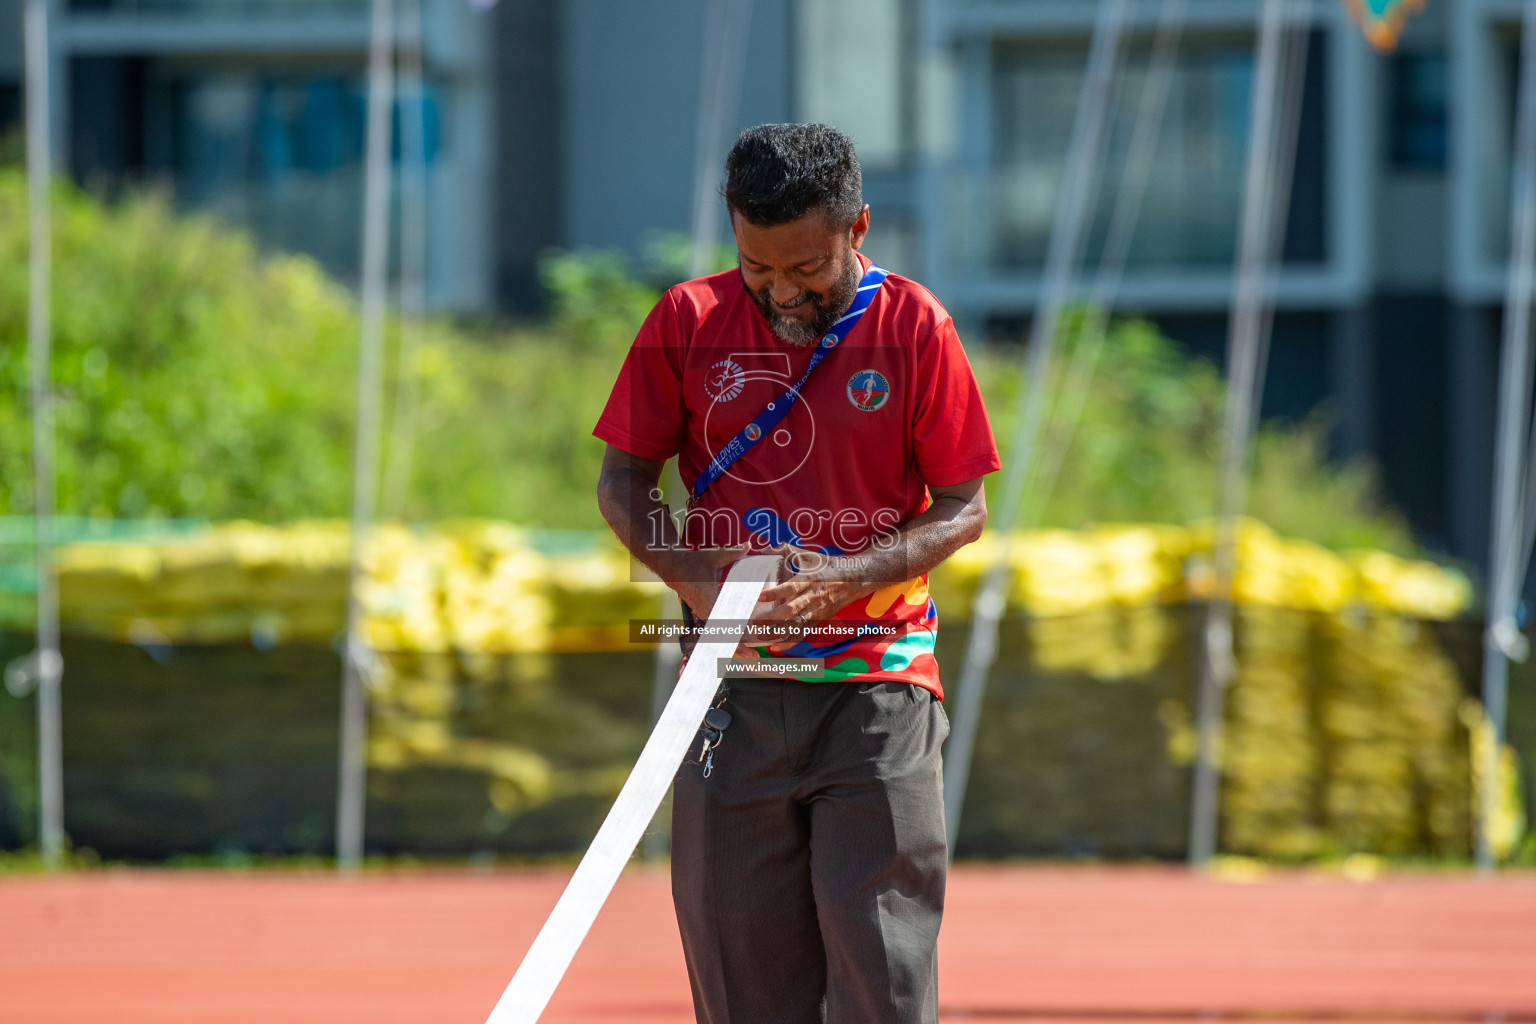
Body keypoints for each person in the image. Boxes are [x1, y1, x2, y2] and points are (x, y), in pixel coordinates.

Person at [594, 123, 1000, 1024]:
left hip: (877, 687)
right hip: (731, 691)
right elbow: (622, 482)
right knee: (742, 987)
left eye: (806, 269)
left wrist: (849, 576)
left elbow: (963, 507)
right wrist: (695, 579)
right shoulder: (687, 321)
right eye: (756, 267)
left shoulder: (913, 326)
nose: (781, 292)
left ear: (859, 227)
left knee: (882, 976)